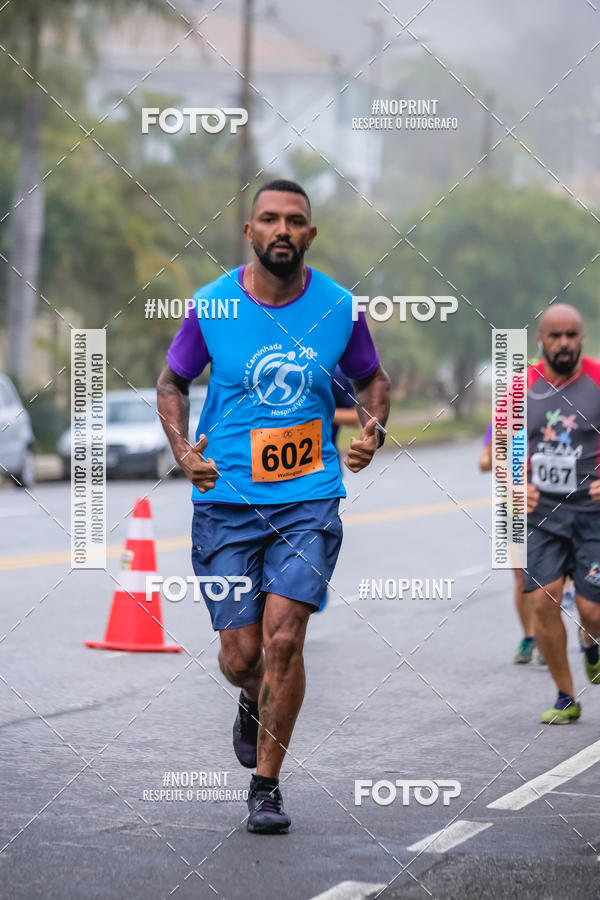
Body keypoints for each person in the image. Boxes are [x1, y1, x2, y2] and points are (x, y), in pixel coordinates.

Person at [157, 180, 391, 831]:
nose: (282, 229)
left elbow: (373, 378)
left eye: (295, 220)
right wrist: (182, 447)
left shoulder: (340, 307)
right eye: (269, 219)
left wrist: (373, 428)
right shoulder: (212, 306)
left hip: (308, 500)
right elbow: (172, 381)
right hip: (225, 501)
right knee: (242, 658)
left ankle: (266, 786)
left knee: (284, 638)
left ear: (310, 235)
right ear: (250, 232)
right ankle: (252, 700)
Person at [522, 304, 600, 723]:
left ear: (581, 337)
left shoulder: (598, 379)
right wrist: (516, 484)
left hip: (593, 513)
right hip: (544, 513)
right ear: (541, 339)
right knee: (542, 600)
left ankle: (592, 642)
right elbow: (503, 446)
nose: (564, 343)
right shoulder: (521, 388)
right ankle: (566, 697)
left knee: (591, 611)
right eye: (556, 335)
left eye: (572, 334)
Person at [479, 423, 545, 665]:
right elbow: (484, 462)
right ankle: (530, 638)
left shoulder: (552, 414)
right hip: (513, 508)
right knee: (521, 578)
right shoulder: (503, 421)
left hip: (549, 505)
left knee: (550, 580)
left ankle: (547, 635)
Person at [316, 367, 360, 613]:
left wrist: (320, 411)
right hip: (262, 475)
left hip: (320, 472)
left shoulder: (329, 368)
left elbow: (357, 416)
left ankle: (311, 584)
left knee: (310, 542)